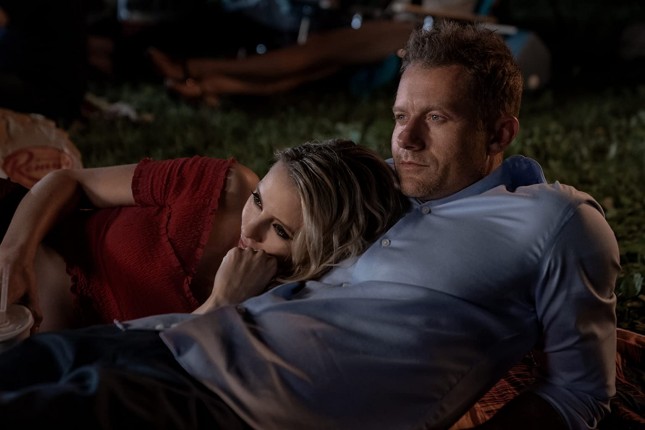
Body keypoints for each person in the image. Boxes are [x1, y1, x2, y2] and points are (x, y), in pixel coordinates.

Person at [0, 20, 619, 430]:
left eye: (437, 118)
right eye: (400, 115)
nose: (405, 138)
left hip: (233, 405)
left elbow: (578, 394)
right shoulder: (376, 185)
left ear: (500, 132)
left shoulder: (554, 221)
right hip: (163, 338)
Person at [0, 139, 407, 332]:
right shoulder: (224, 189)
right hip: (17, 229)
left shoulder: (273, 311)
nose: (249, 229)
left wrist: (220, 303)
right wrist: (13, 256)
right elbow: (69, 181)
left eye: (280, 230)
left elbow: (140, 357)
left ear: (321, 252)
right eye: (259, 200)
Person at [147, 18, 416, 105]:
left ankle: (193, 70)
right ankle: (207, 85)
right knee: (315, 67)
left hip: (415, 41)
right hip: (402, 61)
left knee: (314, 56)